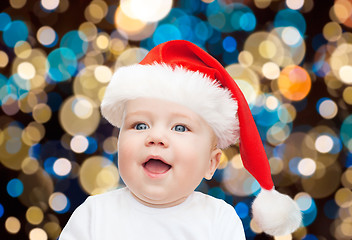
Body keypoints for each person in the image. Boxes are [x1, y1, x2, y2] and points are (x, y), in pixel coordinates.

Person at [59, 40, 301, 239]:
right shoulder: (94, 215)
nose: (155, 137)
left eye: (180, 127)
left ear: (211, 163)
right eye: (140, 125)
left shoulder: (218, 219)